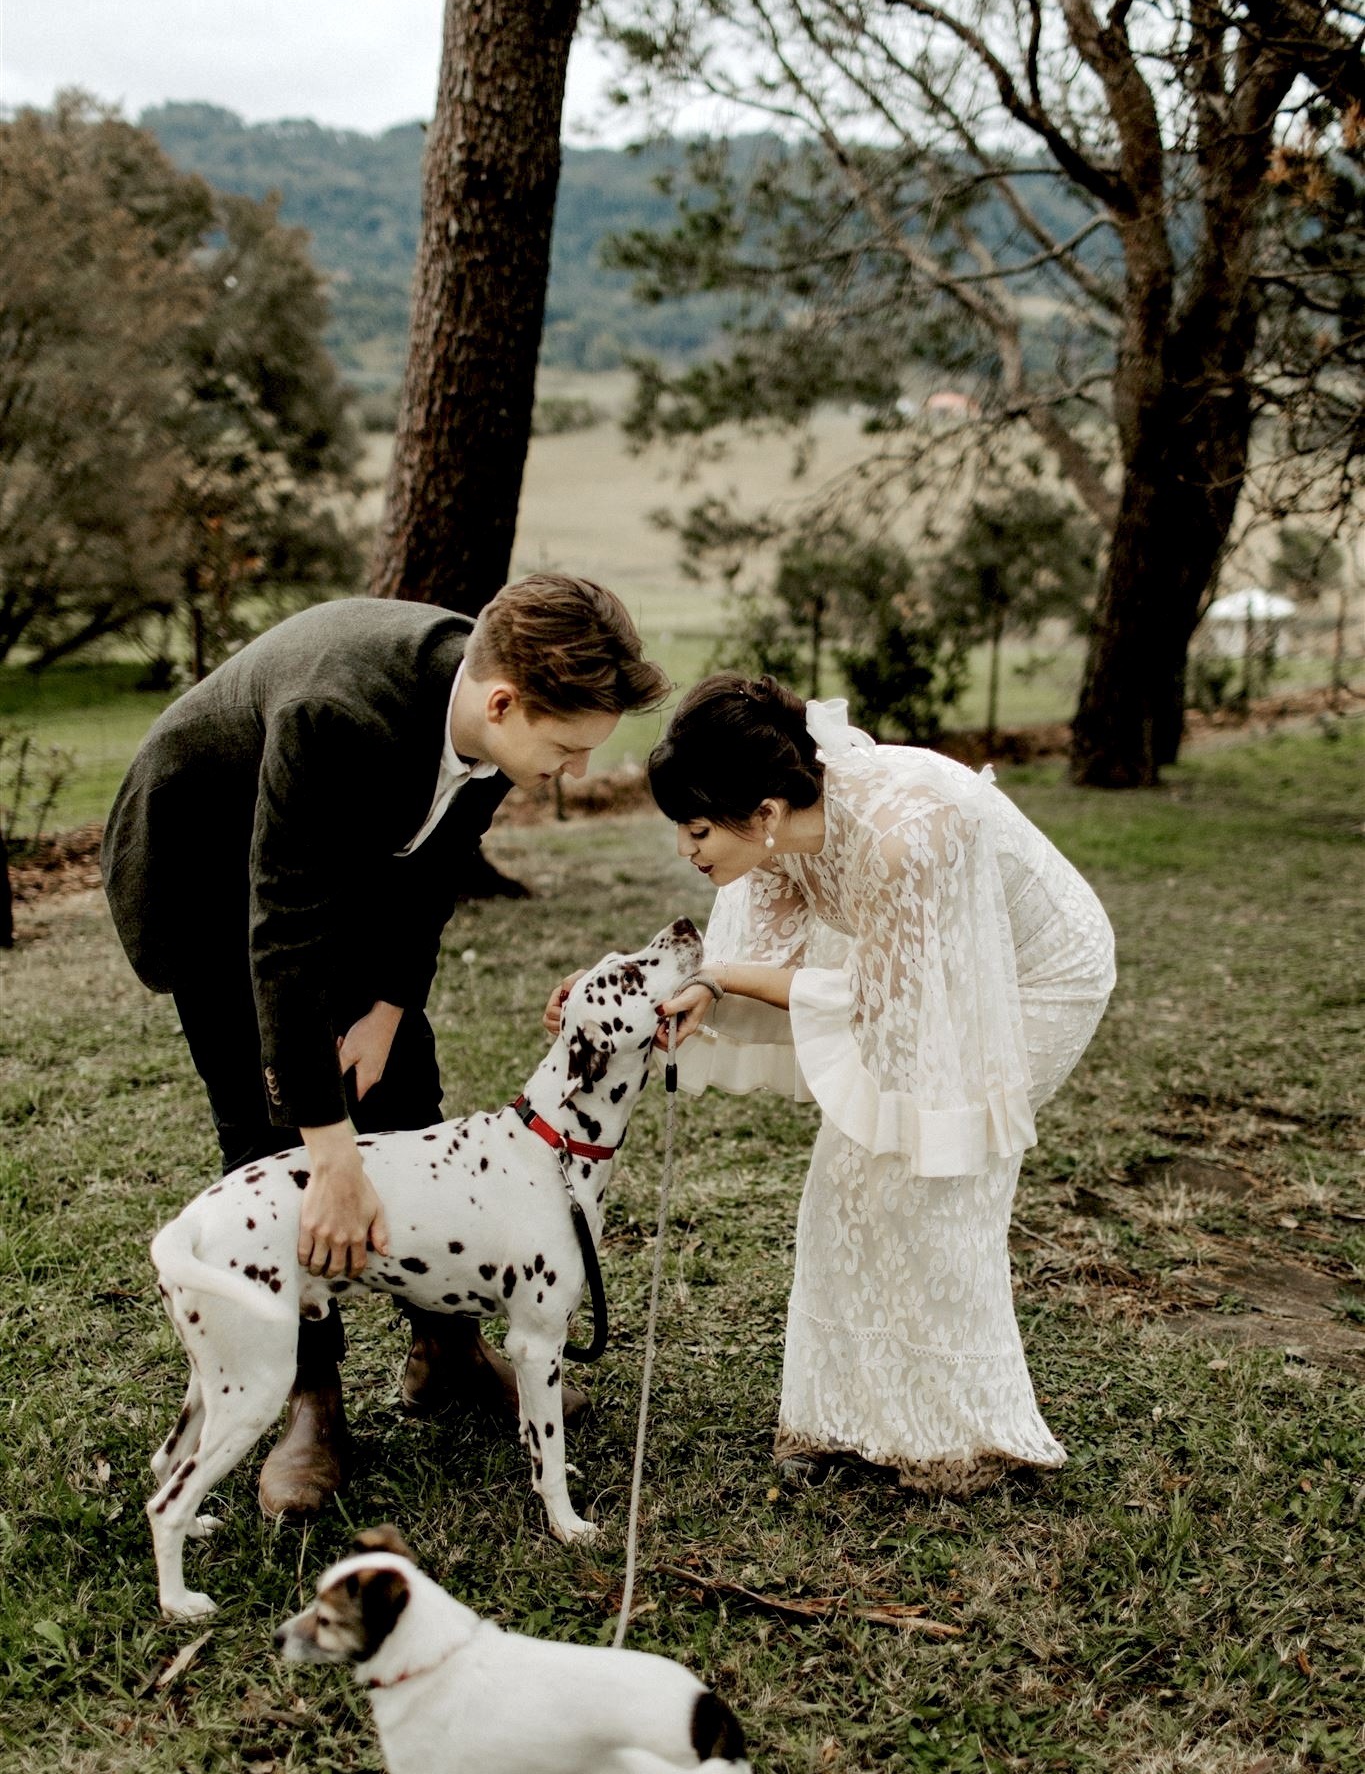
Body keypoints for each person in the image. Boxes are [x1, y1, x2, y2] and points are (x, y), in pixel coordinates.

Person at [104, 576, 669, 1519]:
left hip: (348, 857)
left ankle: (445, 1351)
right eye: (567, 748)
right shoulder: (339, 714)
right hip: (206, 875)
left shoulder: (493, 736)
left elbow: (432, 873)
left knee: (407, 1089)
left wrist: (388, 1006)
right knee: (273, 1138)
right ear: (502, 703)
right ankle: (310, 1403)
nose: (571, 770)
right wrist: (328, 1156)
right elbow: (279, 932)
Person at [642, 674, 1115, 1493]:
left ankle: (966, 1438)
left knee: (934, 1184)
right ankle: (846, 1422)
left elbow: (876, 1000)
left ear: (761, 815)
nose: (686, 851)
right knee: (845, 1184)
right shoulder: (782, 823)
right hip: (924, 972)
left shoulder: (904, 837)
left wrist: (724, 978)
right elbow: (764, 955)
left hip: (1031, 981)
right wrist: (679, 984)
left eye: (694, 830)